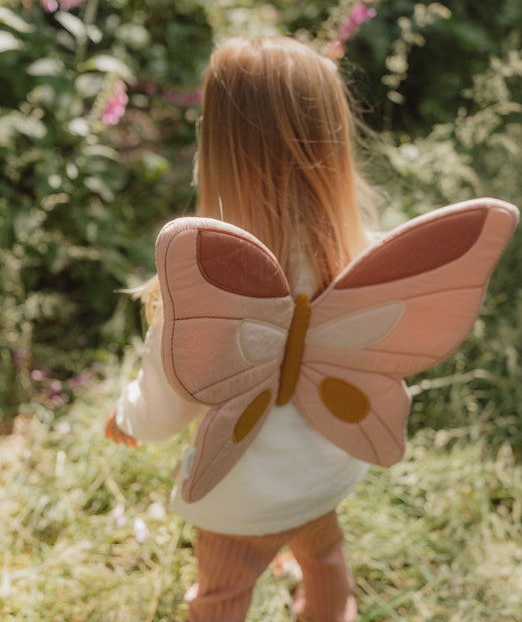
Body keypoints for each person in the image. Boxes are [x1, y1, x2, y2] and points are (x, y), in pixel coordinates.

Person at [106, 36, 378, 622]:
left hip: (240, 492)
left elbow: (167, 406)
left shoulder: (202, 292)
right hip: (324, 473)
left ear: (219, 145)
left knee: (221, 594)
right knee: (327, 559)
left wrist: (127, 416)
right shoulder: (360, 262)